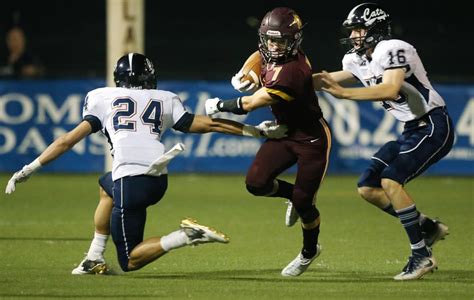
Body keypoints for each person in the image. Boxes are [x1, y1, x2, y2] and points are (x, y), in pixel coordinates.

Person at [4, 52, 288, 274]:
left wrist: (29, 168)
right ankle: (93, 257)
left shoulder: (101, 98)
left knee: (130, 260)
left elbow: (66, 141)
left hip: (132, 180)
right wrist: (256, 132)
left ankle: (186, 236)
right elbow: (209, 123)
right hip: (157, 177)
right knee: (106, 187)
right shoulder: (164, 98)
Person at [314, 3, 454, 280]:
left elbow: (390, 88)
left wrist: (344, 94)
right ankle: (427, 227)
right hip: (412, 129)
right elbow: (325, 79)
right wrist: (282, 82)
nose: (354, 35)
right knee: (368, 187)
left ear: (375, 29)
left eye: (359, 29)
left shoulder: (391, 48)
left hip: (433, 124)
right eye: (352, 30)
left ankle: (421, 255)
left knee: (391, 181)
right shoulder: (358, 59)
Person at [205, 7, 331, 277]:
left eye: (280, 41)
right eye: (269, 39)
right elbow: (259, 56)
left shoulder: (293, 71)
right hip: (284, 132)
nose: (273, 46)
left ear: (294, 41)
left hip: (311, 138)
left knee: (305, 203)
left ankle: (309, 251)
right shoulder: (271, 51)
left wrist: (218, 104)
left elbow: (251, 103)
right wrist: (247, 73)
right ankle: (292, 197)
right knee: (256, 183)